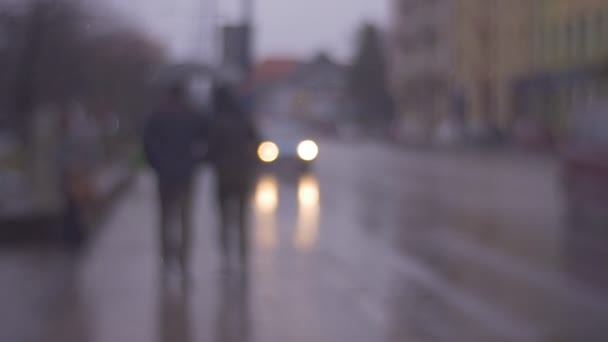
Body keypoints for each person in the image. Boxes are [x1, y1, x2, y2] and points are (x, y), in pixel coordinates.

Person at [143, 84, 208, 276]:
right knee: (185, 218)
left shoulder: (158, 115)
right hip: (186, 175)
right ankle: (183, 258)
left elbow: (147, 143)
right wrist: (196, 160)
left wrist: (156, 164)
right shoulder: (192, 115)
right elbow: (206, 138)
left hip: (164, 175)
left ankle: (165, 257)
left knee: (165, 218)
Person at [208, 84, 260, 269]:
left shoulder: (218, 123)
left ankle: (226, 256)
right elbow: (257, 143)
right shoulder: (244, 121)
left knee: (224, 218)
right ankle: (242, 256)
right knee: (241, 218)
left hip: (224, 177)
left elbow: (210, 152)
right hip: (242, 176)